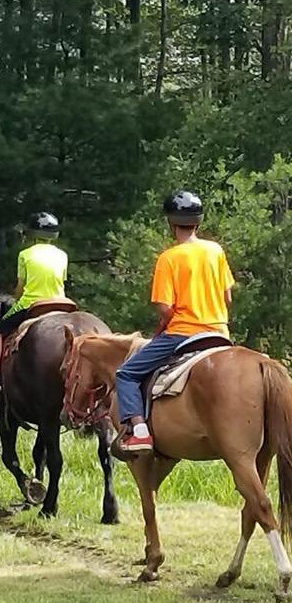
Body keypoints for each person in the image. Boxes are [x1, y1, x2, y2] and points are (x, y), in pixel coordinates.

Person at [115, 191, 234, 455]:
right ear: (198, 222)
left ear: (171, 223)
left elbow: (165, 308)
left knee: (126, 374)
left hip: (183, 334)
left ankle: (140, 433)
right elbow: (227, 296)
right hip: (220, 332)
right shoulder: (216, 251)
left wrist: (163, 326)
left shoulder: (169, 258)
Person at [0, 212, 68, 397]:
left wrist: (17, 298)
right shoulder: (62, 255)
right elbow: (60, 281)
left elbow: (21, 286)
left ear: (31, 233)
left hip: (33, 303)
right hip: (62, 303)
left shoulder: (25, 255)